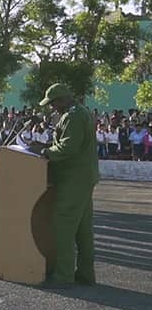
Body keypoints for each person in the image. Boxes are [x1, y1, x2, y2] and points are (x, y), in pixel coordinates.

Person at [29, 83, 99, 288]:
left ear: (62, 99)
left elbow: (68, 147)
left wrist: (45, 153)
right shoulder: (77, 113)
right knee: (82, 230)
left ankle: (64, 275)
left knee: (63, 225)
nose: (52, 108)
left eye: (53, 103)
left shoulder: (73, 116)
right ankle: (85, 274)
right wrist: (46, 147)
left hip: (73, 178)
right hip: (81, 177)